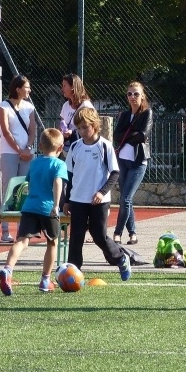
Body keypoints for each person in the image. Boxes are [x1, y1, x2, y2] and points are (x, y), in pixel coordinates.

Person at [63, 107, 131, 281]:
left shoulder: (104, 146)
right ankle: (74, 273)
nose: (82, 131)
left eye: (85, 127)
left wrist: (102, 192)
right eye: (79, 128)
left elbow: (115, 173)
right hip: (78, 199)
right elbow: (69, 176)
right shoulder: (75, 147)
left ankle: (121, 258)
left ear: (94, 126)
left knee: (98, 235)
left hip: (99, 201)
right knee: (76, 236)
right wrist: (67, 200)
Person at [0, 128, 68, 295]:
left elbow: (28, 185)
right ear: (60, 148)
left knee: (21, 241)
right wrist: (56, 205)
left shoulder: (35, 163)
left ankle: (8, 269)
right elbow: (58, 183)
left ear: (41, 146)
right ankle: (45, 279)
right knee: (52, 242)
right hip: (47, 208)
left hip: (29, 207)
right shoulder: (59, 164)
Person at [112, 81, 153, 245]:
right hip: (122, 160)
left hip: (138, 162)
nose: (133, 97)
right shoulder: (124, 115)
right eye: (129, 94)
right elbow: (116, 136)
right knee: (125, 198)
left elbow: (142, 136)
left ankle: (117, 233)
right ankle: (133, 234)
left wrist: (127, 135)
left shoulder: (147, 113)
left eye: (136, 93)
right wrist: (131, 135)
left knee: (126, 199)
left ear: (142, 95)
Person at [0, 75, 36, 242]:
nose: (29, 90)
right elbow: (5, 132)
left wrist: (27, 148)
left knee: (24, 188)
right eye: (26, 87)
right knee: (9, 188)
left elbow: (33, 129)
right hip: (9, 153)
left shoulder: (29, 107)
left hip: (27, 153)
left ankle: (22, 229)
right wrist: (19, 150)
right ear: (18, 88)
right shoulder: (3, 106)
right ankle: (5, 230)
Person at [59, 73, 94, 154]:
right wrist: (62, 132)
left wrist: (72, 132)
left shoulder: (86, 106)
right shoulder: (66, 105)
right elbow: (61, 124)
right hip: (67, 149)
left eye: (64, 85)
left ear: (73, 87)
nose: (62, 89)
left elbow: (90, 128)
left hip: (84, 148)